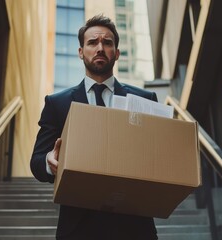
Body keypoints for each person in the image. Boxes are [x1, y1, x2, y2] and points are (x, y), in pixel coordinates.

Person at [30, 14, 158, 240]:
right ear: (81, 52)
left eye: (107, 43)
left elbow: (157, 156)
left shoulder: (145, 99)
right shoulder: (57, 103)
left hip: (135, 228)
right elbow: (37, 161)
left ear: (117, 53)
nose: (100, 48)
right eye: (92, 42)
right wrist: (50, 162)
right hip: (78, 228)